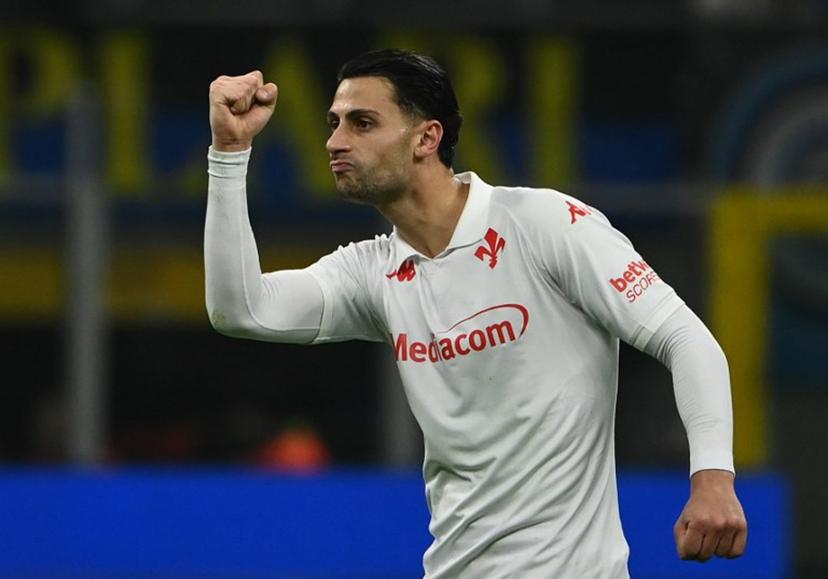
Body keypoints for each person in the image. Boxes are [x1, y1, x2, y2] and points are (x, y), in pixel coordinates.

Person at [204, 49, 747, 578]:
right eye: (334, 123)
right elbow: (241, 309)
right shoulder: (373, 272)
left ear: (427, 138)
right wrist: (228, 153)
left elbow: (684, 337)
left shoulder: (543, 224)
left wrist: (713, 477)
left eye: (362, 123)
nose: (335, 142)